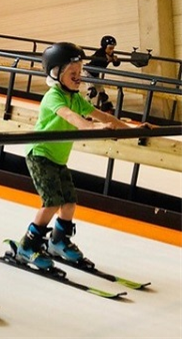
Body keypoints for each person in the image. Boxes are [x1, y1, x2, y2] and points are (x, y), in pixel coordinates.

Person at [15, 42, 149, 270]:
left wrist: (132, 130)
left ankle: (58, 241)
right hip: (40, 154)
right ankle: (27, 245)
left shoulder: (75, 98)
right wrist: (92, 127)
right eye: (73, 73)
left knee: (69, 203)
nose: (78, 77)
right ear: (56, 74)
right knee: (52, 202)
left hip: (58, 158)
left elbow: (103, 116)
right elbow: (71, 117)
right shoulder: (54, 97)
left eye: (80, 72)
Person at [84, 35, 121, 112]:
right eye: (110, 48)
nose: (111, 51)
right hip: (88, 72)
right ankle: (83, 107)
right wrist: (105, 59)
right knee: (92, 92)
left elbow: (116, 64)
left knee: (102, 93)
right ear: (104, 47)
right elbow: (96, 60)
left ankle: (107, 109)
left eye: (113, 48)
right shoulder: (99, 52)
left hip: (96, 73)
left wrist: (116, 60)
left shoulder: (110, 54)